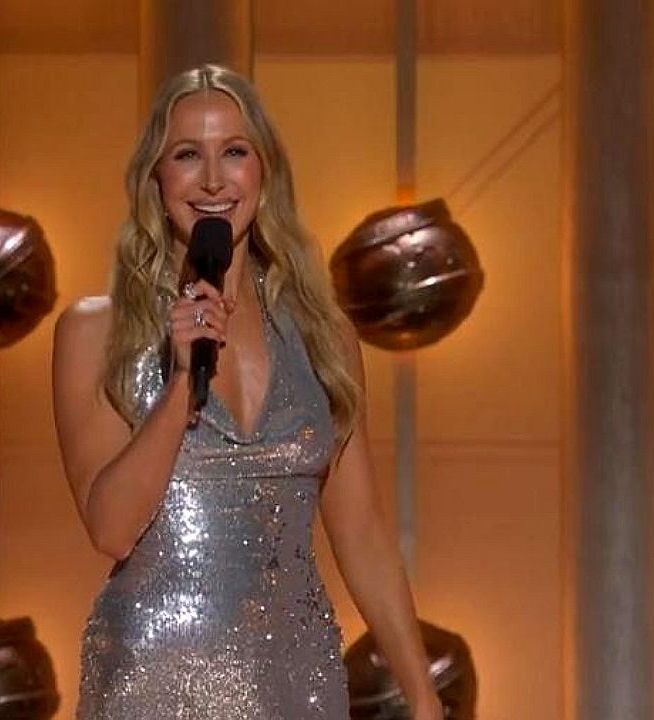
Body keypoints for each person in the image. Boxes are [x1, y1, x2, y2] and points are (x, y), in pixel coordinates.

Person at [52, 64, 442, 719]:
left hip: (297, 680)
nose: (213, 180)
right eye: (187, 155)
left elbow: (363, 534)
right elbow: (111, 530)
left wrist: (425, 700)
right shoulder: (97, 331)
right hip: (153, 684)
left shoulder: (324, 337)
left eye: (234, 151)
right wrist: (182, 381)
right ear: (156, 179)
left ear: (265, 173)